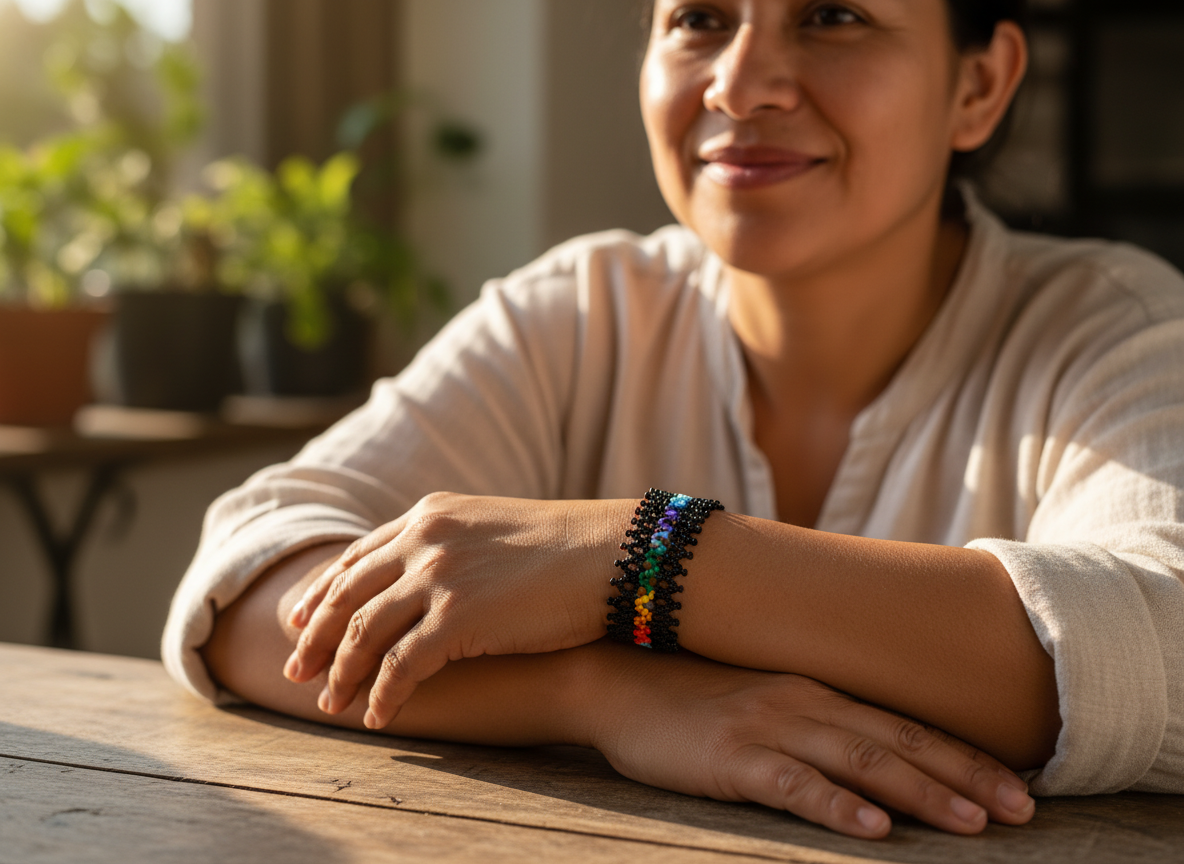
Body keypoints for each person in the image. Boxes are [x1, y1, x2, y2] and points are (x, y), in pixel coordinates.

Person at [163, 0, 1184, 841]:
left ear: (977, 86)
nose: (740, 87)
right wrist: (601, 696)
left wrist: (636, 557)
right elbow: (248, 583)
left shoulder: (1114, 327)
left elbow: (1164, 642)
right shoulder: (578, 311)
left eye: (830, 17)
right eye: (698, 18)